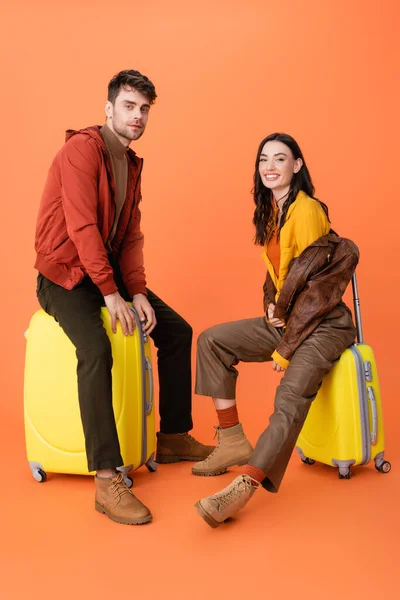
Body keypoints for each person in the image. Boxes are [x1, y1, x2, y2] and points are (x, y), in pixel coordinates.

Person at [34, 69, 213, 526]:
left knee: (175, 331)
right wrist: (112, 294)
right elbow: (81, 227)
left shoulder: (131, 163)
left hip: (105, 274)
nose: (137, 116)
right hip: (64, 276)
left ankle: (172, 435)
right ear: (109, 108)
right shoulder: (80, 151)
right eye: (129, 106)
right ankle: (107, 480)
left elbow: (130, 235)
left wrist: (136, 292)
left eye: (144, 109)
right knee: (95, 350)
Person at [192, 133, 359, 528]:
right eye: (264, 159)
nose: (270, 166)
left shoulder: (307, 210)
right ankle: (232, 440)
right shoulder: (274, 211)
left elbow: (319, 290)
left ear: (297, 166)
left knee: (288, 399)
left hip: (322, 326)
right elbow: (284, 275)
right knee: (212, 341)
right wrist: (272, 303)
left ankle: (242, 489)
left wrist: (284, 348)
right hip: (291, 321)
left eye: (280, 159)